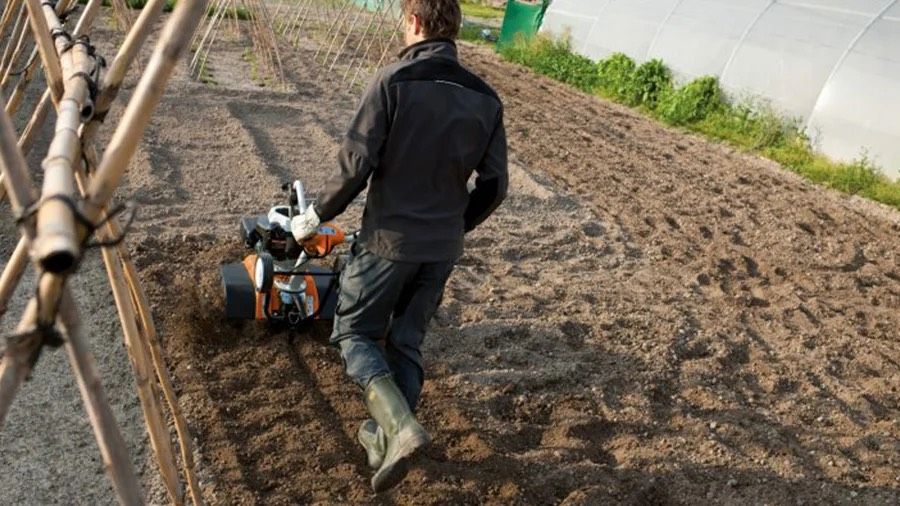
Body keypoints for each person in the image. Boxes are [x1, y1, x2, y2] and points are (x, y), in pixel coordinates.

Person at [291, 0, 507, 492]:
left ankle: (399, 427)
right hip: (442, 247)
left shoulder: (393, 82)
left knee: (355, 334)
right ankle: (382, 439)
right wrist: (456, 225)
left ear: (413, 22)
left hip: (389, 242)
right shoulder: (486, 98)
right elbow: (495, 185)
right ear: (454, 28)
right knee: (405, 342)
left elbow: (356, 164)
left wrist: (314, 216)